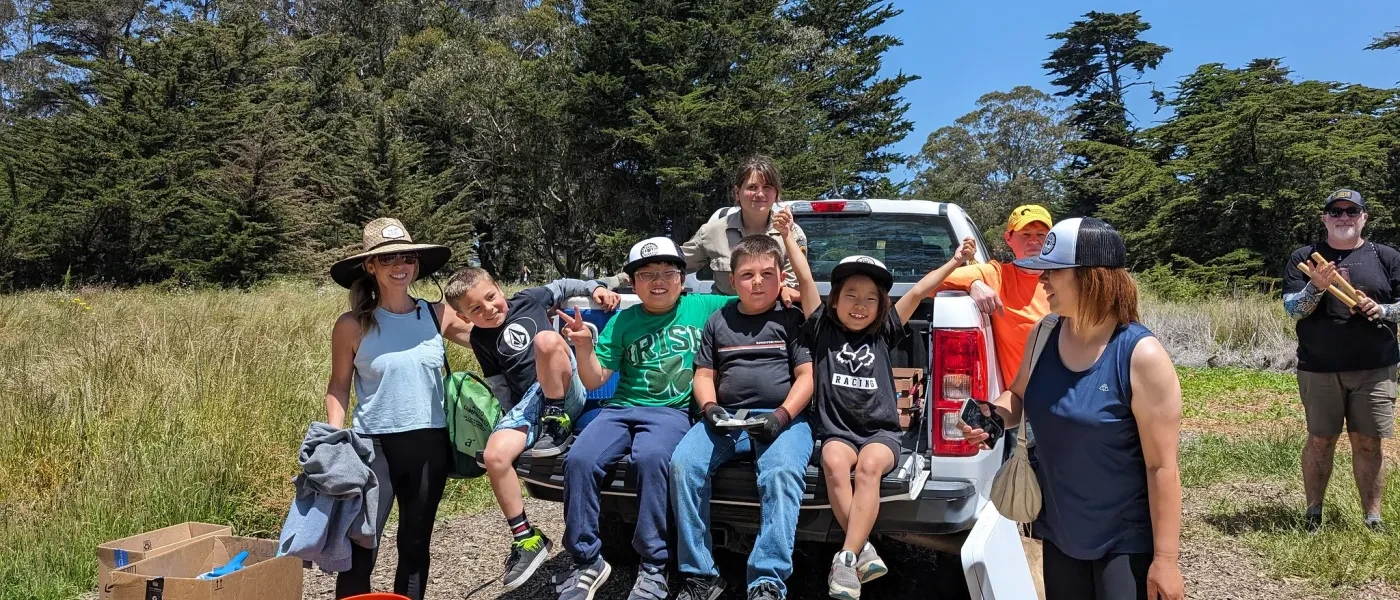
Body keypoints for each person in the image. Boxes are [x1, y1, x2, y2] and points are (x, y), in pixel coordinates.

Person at [961, 217, 1184, 600]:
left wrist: (1166, 559)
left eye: (1052, 271)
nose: (1042, 280)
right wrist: (992, 418)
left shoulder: (1140, 355)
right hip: (1060, 530)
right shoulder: (1045, 332)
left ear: (1092, 277)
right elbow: (1017, 398)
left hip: (1124, 540)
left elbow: (1161, 467)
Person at [777, 207, 976, 600]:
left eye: (870, 298)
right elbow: (803, 277)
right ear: (834, 301)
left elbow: (918, 291)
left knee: (869, 468)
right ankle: (861, 548)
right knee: (834, 462)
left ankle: (847, 556)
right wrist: (787, 238)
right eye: (850, 295)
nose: (859, 304)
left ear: (882, 305)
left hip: (882, 432)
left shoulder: (885, 331)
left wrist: (955, 261)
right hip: (836, 431)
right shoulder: (821, 327)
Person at [555, 237, 735, 600]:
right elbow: (594, 380)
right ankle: (586, 560)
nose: (658, 280)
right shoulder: (623, 321)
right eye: (647, 274)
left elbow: (752, 298)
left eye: (668, 272)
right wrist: (583, 347)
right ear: (633, 284)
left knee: (653, 460)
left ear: (682, 280)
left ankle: (654, 566)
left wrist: (788, 294)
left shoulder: (704, 306)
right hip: (621, 409)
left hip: (670, 413)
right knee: (579, 459)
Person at [443, 267, 621, 591]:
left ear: (498, 288)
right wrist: (505, 426)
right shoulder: (481, 338)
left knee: (546, 339)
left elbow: (564, 285)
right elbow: (499, 384)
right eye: (476, 310)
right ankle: (527, 538)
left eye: (490, 297)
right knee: (495, 457)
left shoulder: (528, 299)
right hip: (528, 405)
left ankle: (557, 422)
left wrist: (596, 287)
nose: (489, 309)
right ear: (462, 315)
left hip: (565, 391)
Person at [324, 217, 472, 600]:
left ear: (417, 263)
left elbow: (490, 338)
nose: (400, 265)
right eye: (388, 259)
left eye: (406, 256)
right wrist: (336, 437)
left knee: (415, 544)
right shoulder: (352, 325)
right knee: (362, 545)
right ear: (370, 267)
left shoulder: (436, 315)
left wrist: (541, 314)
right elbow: (339, 385)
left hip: (429, 444)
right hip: (374, 448)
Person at [671, 235, 815, 600]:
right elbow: (704, 376)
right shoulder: (718, 321)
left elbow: (807, 377)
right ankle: (700, 574)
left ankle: (767, 580)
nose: (757, 282)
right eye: (747, 274)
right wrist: (710, 409)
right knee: (684, 465)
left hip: (783, 419)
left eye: (767, 274)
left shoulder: (792, 319)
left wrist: (782, 416)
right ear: (733, 281)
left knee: (780, 472)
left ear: (782, 278)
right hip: (726, 419)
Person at [1282, 188, 1400, 532]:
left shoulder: (1387, 256)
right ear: (1325, 219)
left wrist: (1383, 309)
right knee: (1321, 439)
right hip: (1319, 367)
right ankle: (1313, 514)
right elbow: (1293, 310)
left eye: (1352, 212)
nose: (1344, 217)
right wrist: (1315, 287)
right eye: (1336, 212)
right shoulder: (1305, 257)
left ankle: (1372, 518)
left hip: (1376, 367)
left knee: (1369, 440)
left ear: (1364, 217)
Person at [936, 204, 1053, 456]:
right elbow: (933, 281)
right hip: (1022, 410)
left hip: (1071, 405)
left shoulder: (1063, 277)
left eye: (1041, 235)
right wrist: (974, 283)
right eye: (1025, 234)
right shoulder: (996, 274)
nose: (1034, 241)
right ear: (1009, 238)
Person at [682, 155, 807, 303]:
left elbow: (794, 284)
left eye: (767, 187)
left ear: (776, 193)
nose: (760, 194)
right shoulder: (711, 232)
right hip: (724, 320)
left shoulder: (791, 233)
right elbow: (675, 264)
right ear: (737, 192)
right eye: (752, 187)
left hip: (773, 319)